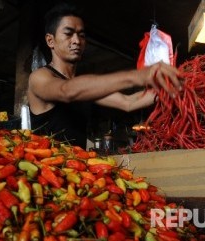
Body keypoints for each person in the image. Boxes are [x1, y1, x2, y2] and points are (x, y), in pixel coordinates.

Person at [27, 2, 182, 149]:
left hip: (75, 170)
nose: (77, 41)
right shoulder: (39, 78)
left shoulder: (84, 88)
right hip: (46, 170)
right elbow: (66, 91)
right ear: (50, 40)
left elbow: (127, 102)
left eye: (81, 35)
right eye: (68, 34)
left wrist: (173, 89)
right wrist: (138, 76)